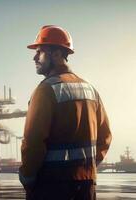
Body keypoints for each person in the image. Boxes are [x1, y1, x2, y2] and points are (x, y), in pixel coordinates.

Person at [19, 25, 112, 200]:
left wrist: (28, 177)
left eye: (39, 52)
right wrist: (86, 167)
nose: (34, 57)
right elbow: (105, 137)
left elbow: (33, 142)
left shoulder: (46, 90)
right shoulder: (90, 90)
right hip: (86, 185)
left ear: (57, 54)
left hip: (51, 185)